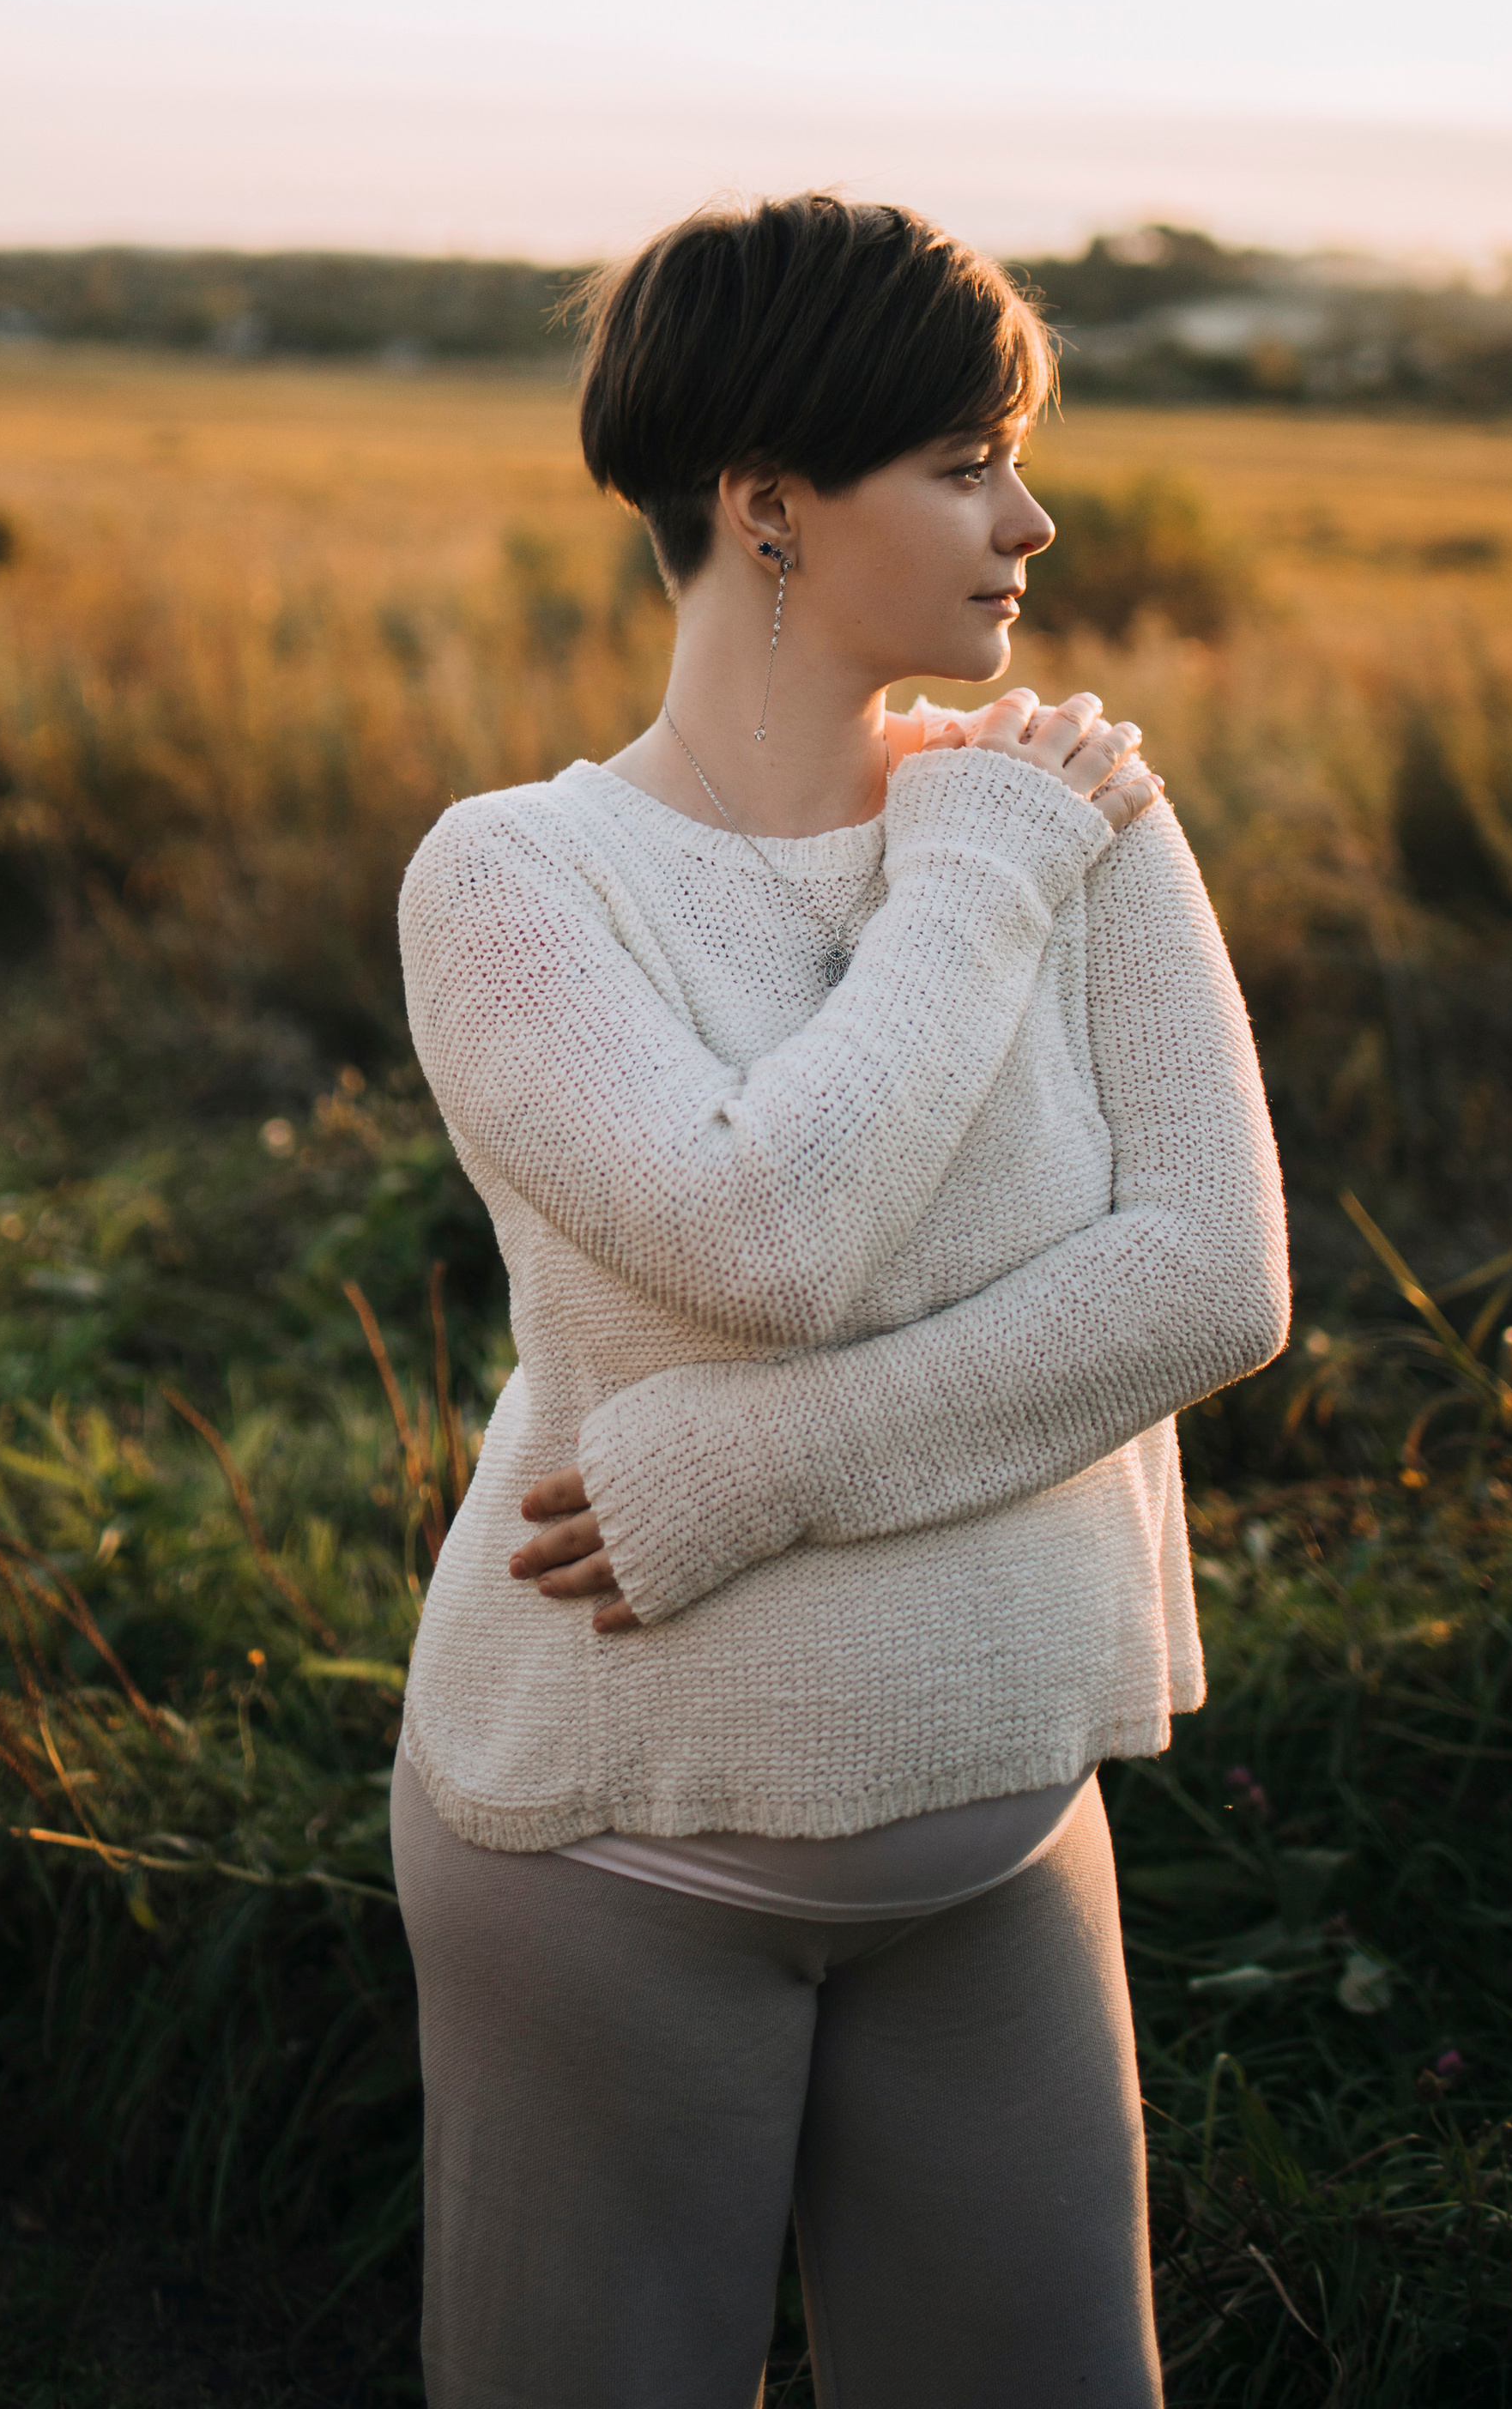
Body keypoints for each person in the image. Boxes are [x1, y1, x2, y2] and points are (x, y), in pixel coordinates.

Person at [390, 192, 1291, 2409]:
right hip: (616, 1852)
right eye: (966, 460)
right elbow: (768, 1237)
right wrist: (970, 878)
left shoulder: (1077, 809)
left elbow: (1214, 1278)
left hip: (1003, 1820)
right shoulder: (520, 878)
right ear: (769, 507)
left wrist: (758, 1467)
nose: (1033, 515)